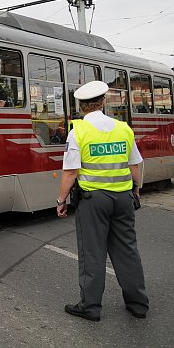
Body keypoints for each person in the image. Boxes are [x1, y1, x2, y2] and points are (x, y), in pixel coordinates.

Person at [56, 80, 148, 322]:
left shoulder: (79, 132)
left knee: (93, 252)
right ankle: (138, 304)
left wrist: (61, 200)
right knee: (127, 250)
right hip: (123, 197)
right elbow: (135, 165)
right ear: (103, 102)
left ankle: (90, 307)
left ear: (81, 106)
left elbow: (70, 172)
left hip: (94, 200)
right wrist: (136, 191)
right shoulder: (123, 129)